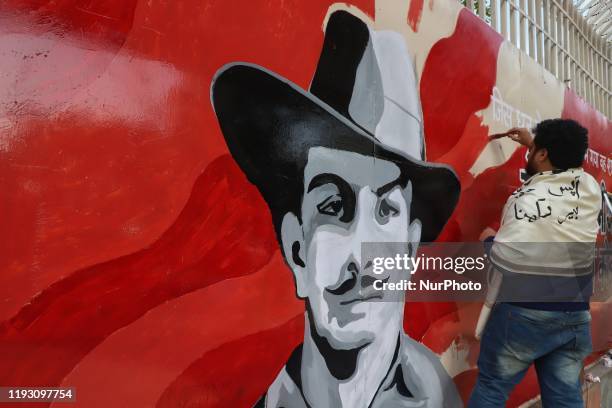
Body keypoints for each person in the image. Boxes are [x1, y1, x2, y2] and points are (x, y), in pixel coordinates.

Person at [211, 9, 463, 408]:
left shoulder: (438, 393)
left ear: (410, 250)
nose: (361, 259)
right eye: (333, 206)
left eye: (385, 212)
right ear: (297, 251)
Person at [468, 120, 603, 407]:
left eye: (536, 151)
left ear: (542, 155)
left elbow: (509, 259)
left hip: (524, 316)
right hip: (574, 315)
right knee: (565, 398)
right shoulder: (590, 189)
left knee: (492, 389)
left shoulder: (526, 200)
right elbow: (562, 169)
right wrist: (534, 143)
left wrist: (489, 241)